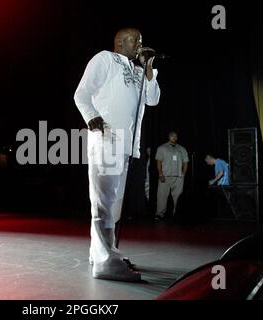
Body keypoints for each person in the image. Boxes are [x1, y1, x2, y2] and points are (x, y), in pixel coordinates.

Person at [74, 28, 160, 281]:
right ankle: (106, 262)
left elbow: (153, 100)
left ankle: (102, 254)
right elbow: (81, 93)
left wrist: (149, 69)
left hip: (125, 145)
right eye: (137, 41)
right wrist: (92, 117)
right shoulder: (104, 59)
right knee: (103, 202)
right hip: (107, 137)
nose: (140, 45)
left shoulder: (139, 71)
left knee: (114, 204)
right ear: (121, 42)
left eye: (142, 42)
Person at [155, 131, 188, 222]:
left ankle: (176, 214)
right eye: (172, 136)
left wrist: (183, 174)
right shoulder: (162, 148)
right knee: (162, 195)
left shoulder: (182, 149)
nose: (174, 137)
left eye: (176, 136)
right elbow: (159, 161)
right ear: (169, 137)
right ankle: (159, 214)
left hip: (178, 177)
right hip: (165, 176)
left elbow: (185, 162)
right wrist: (160, 173)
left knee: (177, 197)